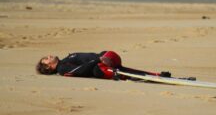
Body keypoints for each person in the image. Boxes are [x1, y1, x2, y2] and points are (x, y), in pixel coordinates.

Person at [36, 51, 171, 80]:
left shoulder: (65, 60)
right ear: (49, 67)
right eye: (46, 60)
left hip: (106, 58)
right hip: (100, 67)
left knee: (125, 71)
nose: (48, 56)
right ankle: (157, 76)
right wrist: (98, 60)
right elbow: (80, 70)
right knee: (125, 73)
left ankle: (155, 75)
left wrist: (101, 56)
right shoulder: (62, 68)